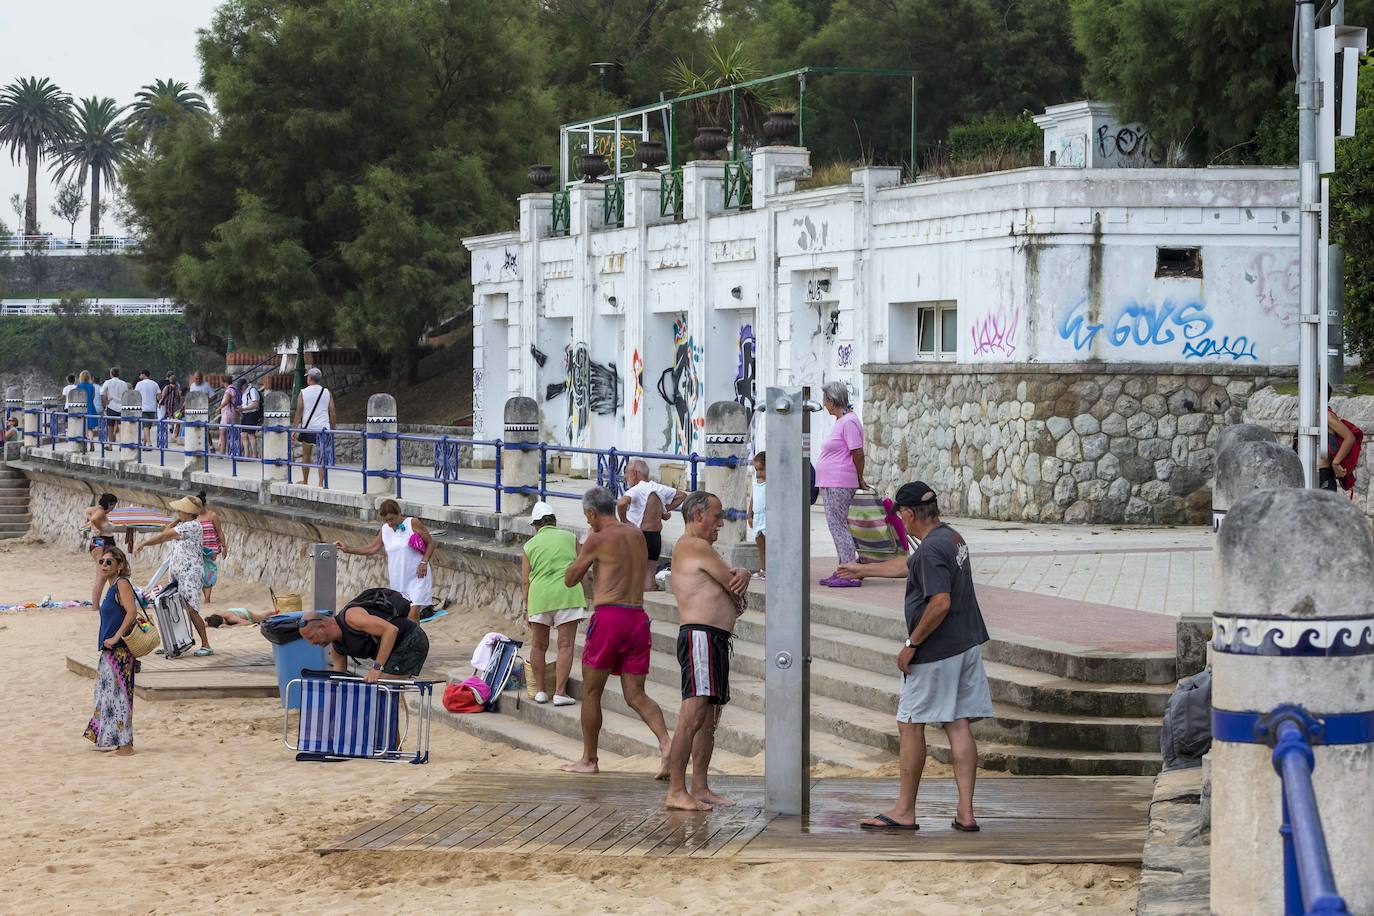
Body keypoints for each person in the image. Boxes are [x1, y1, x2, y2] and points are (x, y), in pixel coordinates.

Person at [839, 482, 991, 833]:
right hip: (966, 643)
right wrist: (864, 569)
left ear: (908, 514)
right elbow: (909, 566)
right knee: (957, 723)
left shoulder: (931, 551)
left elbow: (940, 602)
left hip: (937, 651)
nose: (901, 522)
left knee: (910, 724)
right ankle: (965, 814)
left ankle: (905, 810)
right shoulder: (950, 538)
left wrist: (911, 643)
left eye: (901, 516)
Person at [561, 485, 672, 776]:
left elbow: (571, 579)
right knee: (636, 695)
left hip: (610, 616)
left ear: (592, 513)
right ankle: (666, 745)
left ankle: (589, 760)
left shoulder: (596, 538)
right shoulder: (635, 533)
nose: (587, 522)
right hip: (638, 618)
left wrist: (580, 553)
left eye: (587, 517)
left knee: (591, 691)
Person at [664, 491, 750, 811]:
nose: (721, 523)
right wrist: (744, 574)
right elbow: (735, 586)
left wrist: (742, 578)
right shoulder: (695, 546)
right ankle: (676, 789)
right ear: (698, 515)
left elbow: (738, 599)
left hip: (713, 639)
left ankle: (699, 786)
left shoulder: (701, 549)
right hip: (700, 637)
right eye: (717, 516)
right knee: (694, 711)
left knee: (710, 716)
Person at [520, 501, 587, 706]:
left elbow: (525, 581)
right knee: (565, 645)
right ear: (554, 521)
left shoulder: (529, 545)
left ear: (535, 525)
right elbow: (582, 567)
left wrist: (527, 607)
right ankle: (559, 692)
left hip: (539, 597)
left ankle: (540, 691)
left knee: (539, 646)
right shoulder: (570, 537)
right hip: (568, 594)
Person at [134, 494, 213, 657]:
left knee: (191, 609)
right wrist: (177, 520)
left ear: (189, 513)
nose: (178, 512)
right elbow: (166, 532)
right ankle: (172, 642)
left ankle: (206, 644)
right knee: (171, 605)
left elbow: (164, 535)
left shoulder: (191, 526)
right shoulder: (185, 525)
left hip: (190, 573)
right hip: (180, 571)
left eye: (181, 511)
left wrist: (144, 543)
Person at [334, 498, 435, 621]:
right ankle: (415, 639)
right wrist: (348, 549)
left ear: (399, 513)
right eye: (386, 520)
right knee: (407, 613)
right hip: (399, 578)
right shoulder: (385, 529)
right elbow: (372, 548)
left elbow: (431, 543)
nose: (389, 523)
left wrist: (424, 562)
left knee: (413, 613)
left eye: (391, 519)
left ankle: (413, 639)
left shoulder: (412, 523)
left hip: (418, 575)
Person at [298, 590, 430, 682]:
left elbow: (391, 630)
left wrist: (377, 668)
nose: (311, 643)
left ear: (321, 627)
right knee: (381, 687)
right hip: (394, 650)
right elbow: (338, 678)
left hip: (410, 640)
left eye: (311, 637)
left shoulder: (351, 617)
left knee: (380, 685)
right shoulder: (338, 649)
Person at [83, 546, 141, 755]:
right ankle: (114, 739)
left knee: (120, 697)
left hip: (121, 651)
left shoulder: (122, 584)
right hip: (110, 651)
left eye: (109, 562)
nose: (105, 565)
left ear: (120, 565)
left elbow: (132, 612)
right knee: (107, 695)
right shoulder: (111, 586)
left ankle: (126, 746)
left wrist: (116, 637)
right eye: (102, 562)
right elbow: (96, 606)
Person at [816, 381, 867, 588]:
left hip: (840, 481)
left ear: (832, 400)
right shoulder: (841, 421)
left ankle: (850, 571)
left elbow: (858, 452)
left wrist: (860, 478)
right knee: (836, 526)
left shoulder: (849, 422)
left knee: (838, 527)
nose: (824, 404)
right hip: (831, 481)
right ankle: (844, 569)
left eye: (825, 399)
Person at [616, 459, 685, 590]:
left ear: (634, 473)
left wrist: (624, 520)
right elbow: (682, 495)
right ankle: (648, 605)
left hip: (638, 535)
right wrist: (664, 510)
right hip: (655, 537)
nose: (625, 477)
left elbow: (621, 503)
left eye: (626, 472)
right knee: (649, 575)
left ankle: (633, 604)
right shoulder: (657, 487)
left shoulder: (636, 490)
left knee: (632, 573)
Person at [292, 367, 334, 486]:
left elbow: (299, 412)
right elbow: (332, 412)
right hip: (323, 429)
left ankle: (305, 480)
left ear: (309, 378)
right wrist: (332, 429)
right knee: (322, 456)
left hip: (308, 428)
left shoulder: (303, 392)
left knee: (306, 455)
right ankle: (321, 482)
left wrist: (294, 429)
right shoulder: (327, 392)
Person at [82, 493, 118, 606]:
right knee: (101, 576)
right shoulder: (101, 511)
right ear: (110, 504)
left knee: (111, 573)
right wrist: (96, 526)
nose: (113, 509)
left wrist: (93, 526)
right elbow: (93, 518)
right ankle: (95, 605)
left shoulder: (97, 509)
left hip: (102, 542)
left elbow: (88, 511)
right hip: (102, 543)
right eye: (113, 506)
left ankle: (111, 601)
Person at [1320, 386, 1358, 492]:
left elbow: (1349, 437)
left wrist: (1336, 462)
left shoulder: (1326, 416)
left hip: (1323, 477)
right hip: (1308, 473)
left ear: (1319, 395)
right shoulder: (1309, 415)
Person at [197, 491, 227, 606]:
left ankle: (207, 598)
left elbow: (219, 531)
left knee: (209, 571)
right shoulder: (194, 518)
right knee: (200, 573)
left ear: (204, 505)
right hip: (198, 550)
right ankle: (206, 597)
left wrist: (224, 546)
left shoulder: (212, 516)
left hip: (211, 550)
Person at [748, 451, 766, 578]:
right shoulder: (756, 481)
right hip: (758, 517)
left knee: (769, 544)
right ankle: (762, 569)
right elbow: (753, 498)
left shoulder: (772, 482)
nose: (758, 473)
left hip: (767, 516)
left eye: (761, 469)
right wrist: (750, 515)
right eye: (756, 469)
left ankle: (772, 569)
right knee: (759, 542)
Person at [100, 367, 129, 439]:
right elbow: (126, 394)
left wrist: (106, 402)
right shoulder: (124, 383)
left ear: (111, 374)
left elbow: (102, 393)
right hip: (121, 406)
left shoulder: (108, 382)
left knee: (110, 426)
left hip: (111, 406)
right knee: (121, 425)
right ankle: (122, 442)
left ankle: (110, 444)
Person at [134, 369, 161, 447]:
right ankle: (145, 444)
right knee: (148, 427)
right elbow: (159, 396)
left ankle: (148, 444)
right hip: (152, 408)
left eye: (141, 374)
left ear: (143, 374)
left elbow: (135, 395)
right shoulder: (154, 384)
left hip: (143, 408)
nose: (140, 376)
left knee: (146, 426)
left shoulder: (139, 384)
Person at [239, 377, 262, 458]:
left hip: (252, 414)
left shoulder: (252, 391)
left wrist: (244, 408)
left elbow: (256, 404)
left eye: (241, 386)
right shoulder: (244, 392)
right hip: (245, 414)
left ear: (245, 385)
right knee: (243, 434)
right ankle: (246, 454)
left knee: (251, 434)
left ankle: (254, 455)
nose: (241, 388)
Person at [217, 376, 241, 455]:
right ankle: (235, 452)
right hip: (235, 413)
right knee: (234, 433)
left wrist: (219, 408)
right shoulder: (236, 389)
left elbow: (227, 400)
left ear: (224, 382)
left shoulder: (228, 390)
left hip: (227, 414)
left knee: (222, 433)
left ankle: (222, 453)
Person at [159, 372, 182, 440]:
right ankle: (174, 434)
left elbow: (163, 396)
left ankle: (170, 426)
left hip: (168, 404)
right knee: (177, 417)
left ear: (170, 380)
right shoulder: (177, 388)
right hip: (176, 405)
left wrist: (160, 403)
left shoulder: (167, 387)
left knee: (169, 415)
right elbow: (179, 396)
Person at [205, 608, 271, 628]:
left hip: (246, 614)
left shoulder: (230, 618)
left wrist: (230, 626)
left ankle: (275, 611)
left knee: (263, 618)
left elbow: (248, 623)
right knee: (260, 615)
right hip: (236, 612)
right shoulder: (213, 618)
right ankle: (273, 612)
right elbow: (206, 624)